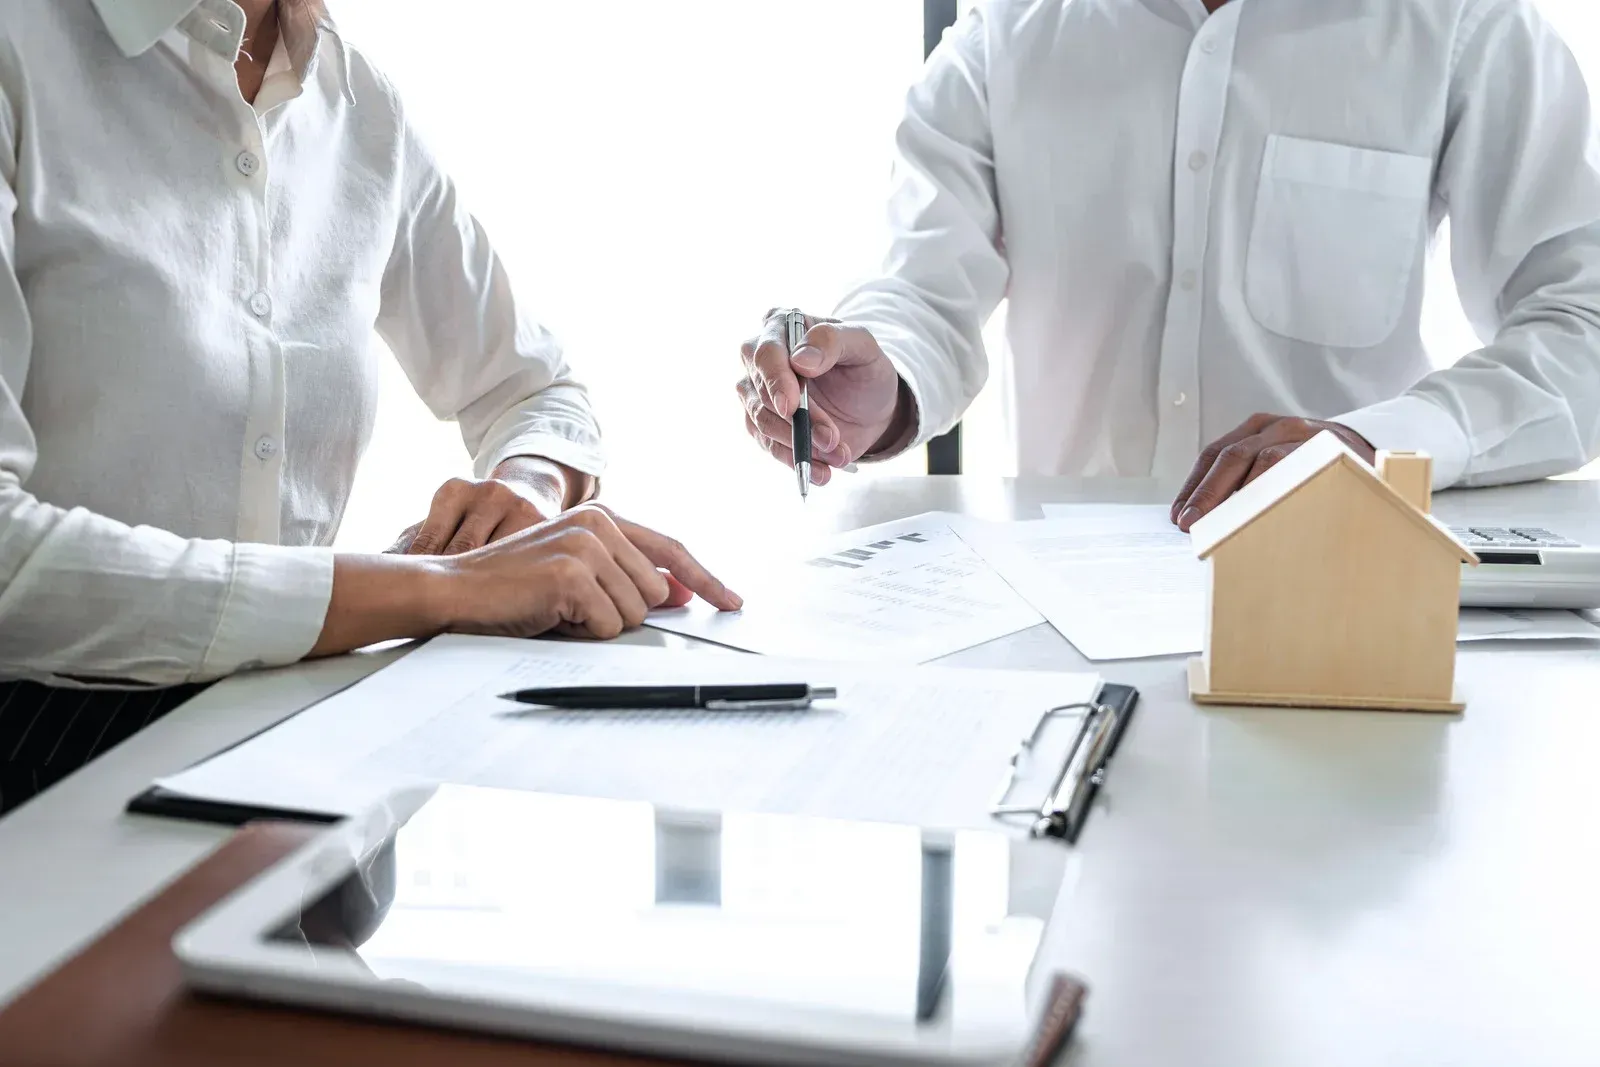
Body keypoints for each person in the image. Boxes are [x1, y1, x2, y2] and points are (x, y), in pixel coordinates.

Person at [0, 0, 739, 813]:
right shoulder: (21, 51)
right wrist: (445, 585)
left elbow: (536, 389)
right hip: (39, 753)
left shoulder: (358, 104)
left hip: (294, 734)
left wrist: (524, 497)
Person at [736, 0, 1600, 530]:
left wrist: (1381, 442)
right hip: (1057, 625)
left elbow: (1582, 324)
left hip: (1341, 604)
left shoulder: (1465, 26)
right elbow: (920, 293)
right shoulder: (1007, 30)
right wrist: (880, 386)